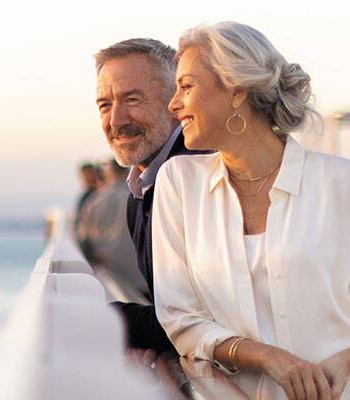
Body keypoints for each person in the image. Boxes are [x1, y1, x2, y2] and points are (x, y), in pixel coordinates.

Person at [151, 22, 350, 400]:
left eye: (186, 86)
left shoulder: (345, 183)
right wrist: (270, 358)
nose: (174, 104)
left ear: (237, 90)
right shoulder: (179, 183)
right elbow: (180, 319)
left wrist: (343, 363)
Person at [94, 37, 212, 356]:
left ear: (176, 104)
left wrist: (93, 317)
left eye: (132, 100)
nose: (116, 120)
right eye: (105, 105)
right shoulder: (140, 191)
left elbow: (202, 319)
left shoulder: (200, 177)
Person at [76, 160, 145, 304]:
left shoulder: (94, 201)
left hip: (107, 269)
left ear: (109, 173)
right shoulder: (139, 197)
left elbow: (83, 236)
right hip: (139, 273)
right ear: (127, 171)